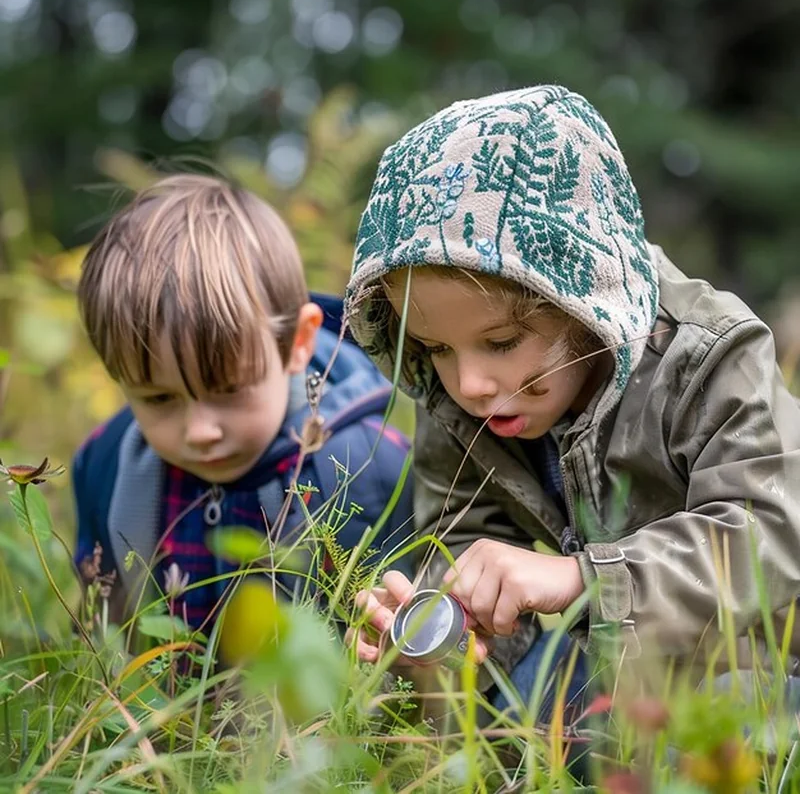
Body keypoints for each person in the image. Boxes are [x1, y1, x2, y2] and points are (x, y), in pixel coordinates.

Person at [344, 85, 800, 723]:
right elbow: (464, 536)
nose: (469, 382)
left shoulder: (706, 357)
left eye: (500, 342)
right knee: (507, 719)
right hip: (600, 676)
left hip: (752, 664)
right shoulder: (455, 395)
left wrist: (582, 578)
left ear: (586, 307)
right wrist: (444, 627)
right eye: (435, 347)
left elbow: (774, 536)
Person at [72, 173, 413, 634]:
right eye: (158, 398)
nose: (200, 431)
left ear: (298, 342)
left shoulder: (367, 467)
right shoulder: (108, 462)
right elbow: (102, 623)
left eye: (228, 390)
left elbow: (405, 652)